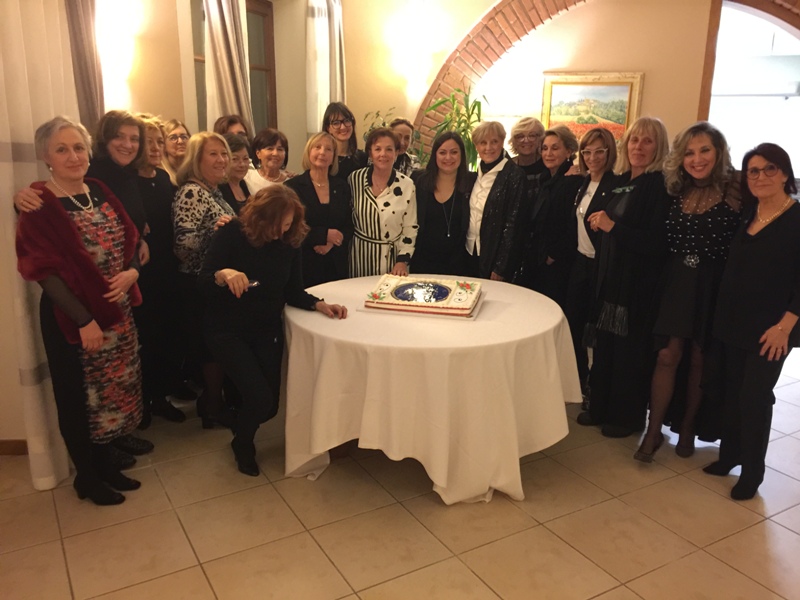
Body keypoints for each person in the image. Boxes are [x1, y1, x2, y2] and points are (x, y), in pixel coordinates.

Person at [16, 116, 144, 505]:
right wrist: (84, 320)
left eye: (78, 147)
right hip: (71, 318)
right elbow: (42, 270)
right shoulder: (39, 202)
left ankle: (106, 465)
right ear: (46, 156)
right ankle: (86, 478)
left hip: (117, 313)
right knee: (80, 398)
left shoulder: (99, 189)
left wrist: (132, 272)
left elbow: (131, 238)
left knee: (112, 392)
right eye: (62, 149)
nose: (73, 156)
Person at [199, 185, 347, 476]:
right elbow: (203, 282)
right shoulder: (232, 233)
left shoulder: (290, 241)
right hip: (226, 329)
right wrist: (223, 274)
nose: (281, 231)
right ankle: (242, 443)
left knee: (270, 408)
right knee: (259, 398)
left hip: (266, 329)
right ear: (259, 217)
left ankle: (239, 426)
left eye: (288, 224)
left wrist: (318, 304)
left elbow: (293, 290)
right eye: (276, 224)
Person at [635, 122, 741, 462]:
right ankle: (653, 431)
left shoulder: (736, 188)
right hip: (676, 281)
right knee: (667, 356)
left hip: (713, 285)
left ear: (719, 152)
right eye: (689, 152)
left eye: (704, 150)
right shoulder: (675, 189)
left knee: (699, 358)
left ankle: (688, 427)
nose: (697, 159)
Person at [702, 143, 799, 500]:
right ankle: (730, 455)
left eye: (770, 168)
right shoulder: (749, 213)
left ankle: (753, 472)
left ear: (785, 174)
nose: (761, 177)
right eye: (753, 171)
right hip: (733, 321)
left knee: (754, 396)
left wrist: (785, 327)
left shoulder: (796, 219)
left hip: (773, 329)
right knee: (732, 391)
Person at [577, 116, 671, 438]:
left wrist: (612, 226)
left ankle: (626, 418)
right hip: (610, 281)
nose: (638, 147)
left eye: (647, 141)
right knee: (606, 349)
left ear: (659, 147)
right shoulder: (623, 181)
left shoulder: (658, 186)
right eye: (634, 140)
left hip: (636, 288)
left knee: (629, 355)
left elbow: (656, 243)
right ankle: (601, 407)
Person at [173, 132, 237, 429]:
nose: (222, 160)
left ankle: (214, 402)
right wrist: (217, 232)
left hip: (217, 281)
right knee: (210, 349)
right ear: (196, 159)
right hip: (199, 284)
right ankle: (211, 406)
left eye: (224, 154)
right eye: (213, 154)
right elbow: (183, 246)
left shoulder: (213, 191)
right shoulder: (191, 192)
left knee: (217, 348)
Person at [134, 114, 187, 426]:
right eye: (148, 142)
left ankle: (161, 397)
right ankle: (142, 402)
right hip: (142, 272)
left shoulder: (164, 179)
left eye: (158, 142)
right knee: (146, 337)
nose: (155, 148)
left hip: (168, 267)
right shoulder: (126, 181)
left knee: (168, 334)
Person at [565, 127, 619, 398]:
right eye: (587, 152)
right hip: (580, 261)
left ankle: (594, 386)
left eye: (599, 151)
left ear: (609, 153)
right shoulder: (583, 182)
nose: (593, 157)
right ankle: (578, 378)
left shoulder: (616, 186)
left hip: (601, 266)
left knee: (595, 329)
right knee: (574, 321)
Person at [521, 125, 583, 307]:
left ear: (568, 151)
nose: (548, 154)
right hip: (541, 258)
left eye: (555, 148)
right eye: (545, 148)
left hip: (557, 263)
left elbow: (571, 226)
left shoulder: (572, 181)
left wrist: (552, 255)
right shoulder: (547, 179)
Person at [285, 132, 352, 286]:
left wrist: (331, 242)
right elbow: (290, 228)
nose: (322, 152)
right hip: (305, 263)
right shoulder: (292, 187)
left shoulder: (342, 186)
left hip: (336, 264)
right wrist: (322, 236)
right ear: (309, 152)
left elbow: (349, 225)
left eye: (328, 149)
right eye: (317, 147)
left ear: (333, 156)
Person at [349, 127, 418, 277]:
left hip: (394, 261)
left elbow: (410, 227)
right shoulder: (355, 179)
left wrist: (402, 260)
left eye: (389, 149)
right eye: (377, 149)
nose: (383, 154)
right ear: (370, 153)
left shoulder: (407, 185)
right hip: (360, 257)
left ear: (396, 153)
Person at [465, 121, 527, 281]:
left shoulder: (515, 175)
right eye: (483, 143)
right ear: (476, 146)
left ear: (502, 142)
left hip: (494, 259)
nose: (488, 147)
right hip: (470, 252)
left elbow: (513, 225)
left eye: (494, 141)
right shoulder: (475, 175)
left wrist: (501, 267)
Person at [410, 131, 474, 275]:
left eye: (454, 152)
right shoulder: (418, 180)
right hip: (422, 261)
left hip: (458, 264)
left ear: (462, 155)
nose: (448, 157)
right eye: (442, 152)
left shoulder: (472, 182)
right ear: (435, 155)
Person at [322, 102, 367, 181]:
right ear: (328, 128)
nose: (343, 127)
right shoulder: (324, 158)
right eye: (336, 123)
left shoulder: (363, 158)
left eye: (347, 121)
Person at [219, 133, 253, 215]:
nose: (242, 164)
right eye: (235, 159)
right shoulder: (219, 188)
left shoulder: (243, 184)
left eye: (245, 159)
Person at [509, 116, 548, 184]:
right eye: (520, 136)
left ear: (541, 139)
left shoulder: (548, 165)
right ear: (513, 141)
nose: (526, 140)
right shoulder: (508, 167)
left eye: (532, 135)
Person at [162, 119, 191, 186]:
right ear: (163, 144)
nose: (180, 141)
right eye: (173, 138)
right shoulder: (161, 176)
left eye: (184, 137)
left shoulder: (196, 173)